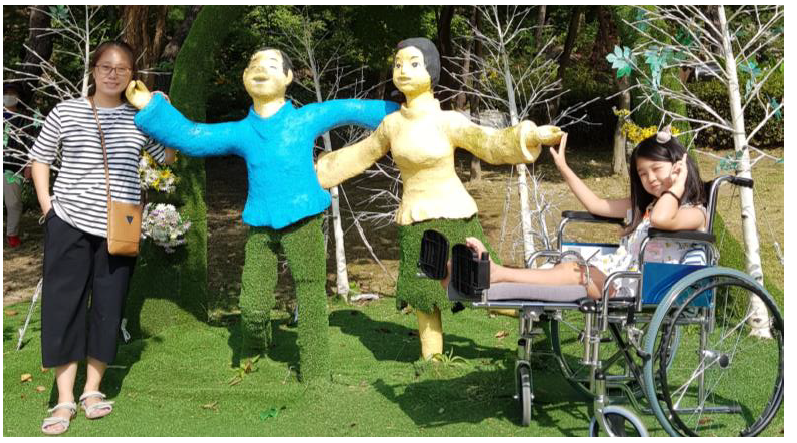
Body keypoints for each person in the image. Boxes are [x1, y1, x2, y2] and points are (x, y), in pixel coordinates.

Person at [125, 47, 398, 381]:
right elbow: (194, 137)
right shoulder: (243, 132)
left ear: (288, 77)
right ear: (244, 77)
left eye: (270, 64)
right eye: (253, 64)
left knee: (310, 293)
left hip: (304, 217)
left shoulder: (304, 118)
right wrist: (149, 106)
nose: (260, 69)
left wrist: (408, 111)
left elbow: (352, 108)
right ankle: (254, 350)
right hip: (260, 223)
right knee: (253, 306)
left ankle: (316, 370)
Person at [315, 37, 564, 360]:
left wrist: (530, 136)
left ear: (431, 71)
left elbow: (490, 143)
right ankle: (433, 361)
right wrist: (318, 172)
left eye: (413, 64)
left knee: (481, 282)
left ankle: (537, 318)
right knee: (424, 293)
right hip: (415, 219)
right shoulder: (392, 125)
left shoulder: (447, 121)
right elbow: (361, 154)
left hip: (455, 215)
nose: (403, 71)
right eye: (398, 64)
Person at [29, 41, 175, 435]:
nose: (113, 74)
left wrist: (162, 114)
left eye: (122, 68)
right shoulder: (66, 111)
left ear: (132, 76)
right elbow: (40, 158)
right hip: (69, 222)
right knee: (63, 307)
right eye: (106, 67)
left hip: (119, 228)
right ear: (93, 70)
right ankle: (64, 398)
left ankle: (92, 390)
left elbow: (168, 156)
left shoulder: (140, 119)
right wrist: (47, 206)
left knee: (108, 307)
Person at [455, 129, 708, 300]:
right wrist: (563, 167)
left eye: (656, 169)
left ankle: (499, 274)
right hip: (616, 277)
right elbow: (596, 205)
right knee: (564, 268)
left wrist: (678, 185)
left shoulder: (695, 213)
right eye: (642, 174)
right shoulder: (646, 207)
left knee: (573, 272)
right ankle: (492, 278)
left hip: (635, 287)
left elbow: (663, 219)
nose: (650, 178)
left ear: (679, 166)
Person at [3, 83, 31, 248]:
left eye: (12, 93)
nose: (8, 96)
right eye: (5, 93)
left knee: (13, 203)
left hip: (13, 167)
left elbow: (32, 143)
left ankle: (12, 235)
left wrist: (29, 164)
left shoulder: (25, 119)